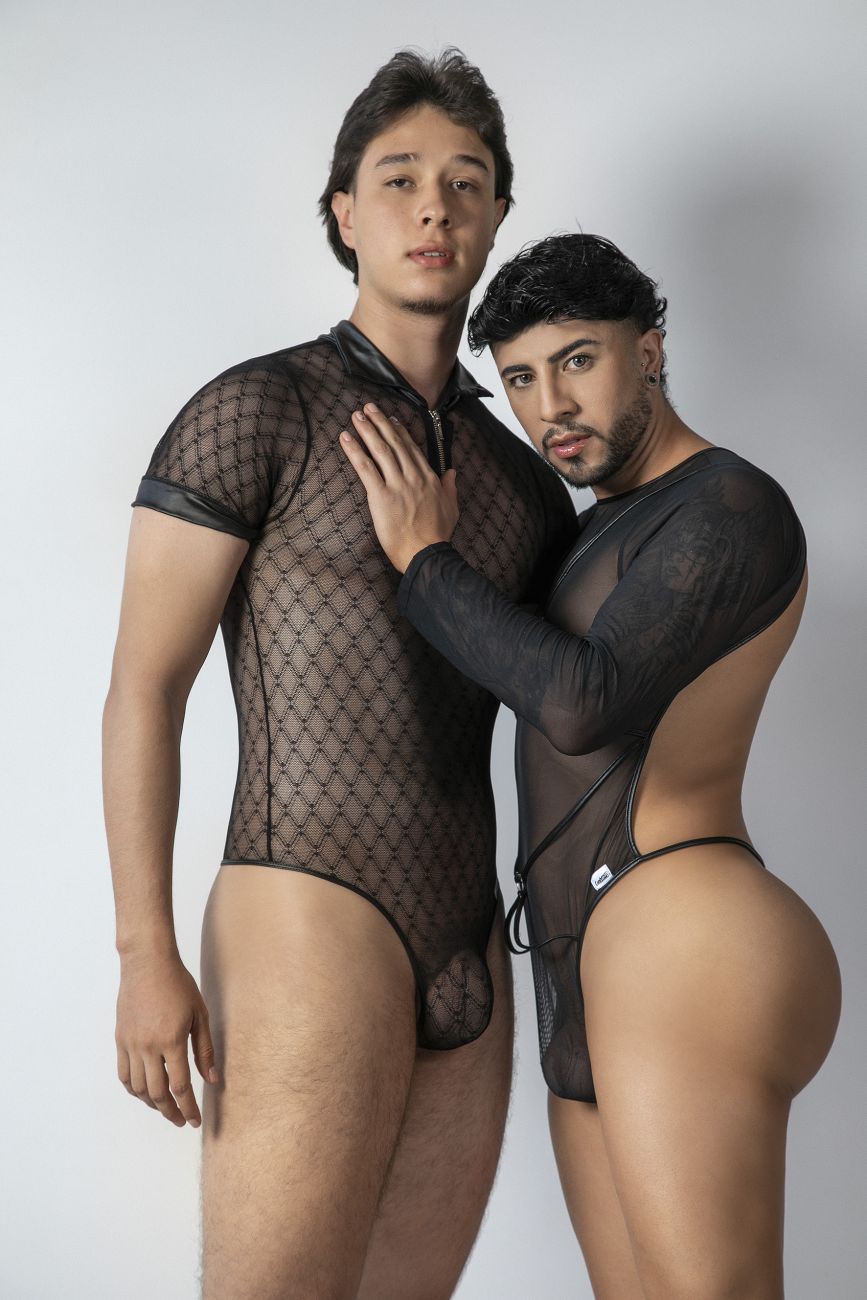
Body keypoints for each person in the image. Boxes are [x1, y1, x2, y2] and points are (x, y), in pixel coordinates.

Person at [102, 51, 576, 1300]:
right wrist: (145, 952)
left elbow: (573, 702)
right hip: (307, 909)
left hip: (472, 945)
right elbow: (146, 686)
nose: (435, 209)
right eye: (401, 178)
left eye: (466, 182)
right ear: (345, 212)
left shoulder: (523, 484)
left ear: (497, 216)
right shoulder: (259, 413)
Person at [340, 232, 842, 1300]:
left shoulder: (728, 505)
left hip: (685, 930)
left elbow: (581, 704)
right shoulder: (599, 531)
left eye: (577, 359)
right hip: (586, 963)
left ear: (648, 352)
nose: (552, 404)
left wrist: (425, 557)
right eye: (521, 377)